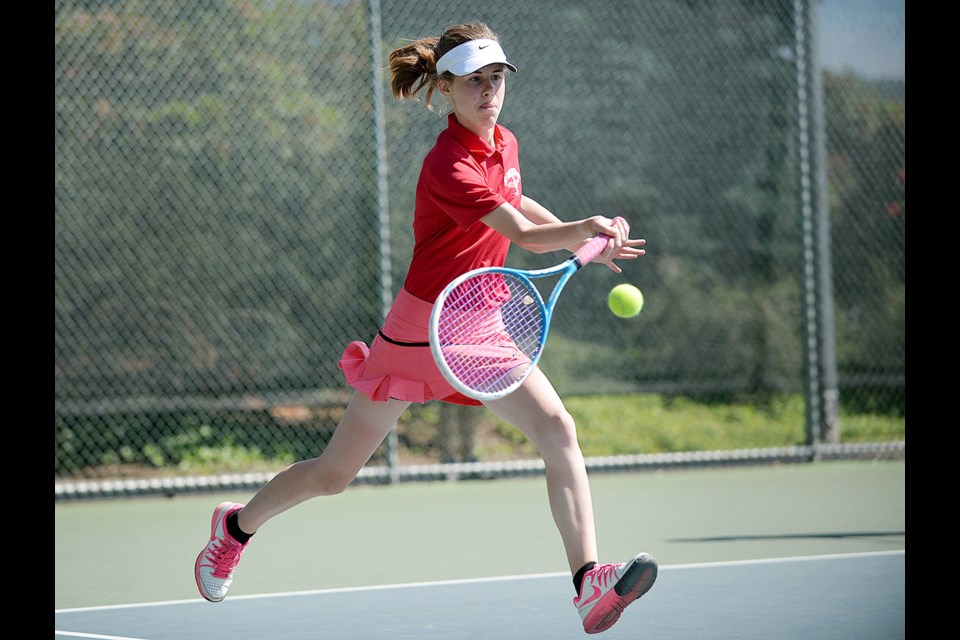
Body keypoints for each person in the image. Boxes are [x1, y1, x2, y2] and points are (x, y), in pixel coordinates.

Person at [194, 21, 657, 634]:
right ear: (445, 87)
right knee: (334, 475)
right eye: (474, 82)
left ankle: (587, 583)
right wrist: (581, 231)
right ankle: (234, 528)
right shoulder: (446, 163)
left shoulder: (504, 143)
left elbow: (518, 204)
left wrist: (582, 230)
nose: (489, 91)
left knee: (556, 427)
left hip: (482, 324)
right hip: (420, 330)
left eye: (497, 79)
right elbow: (522, 235)